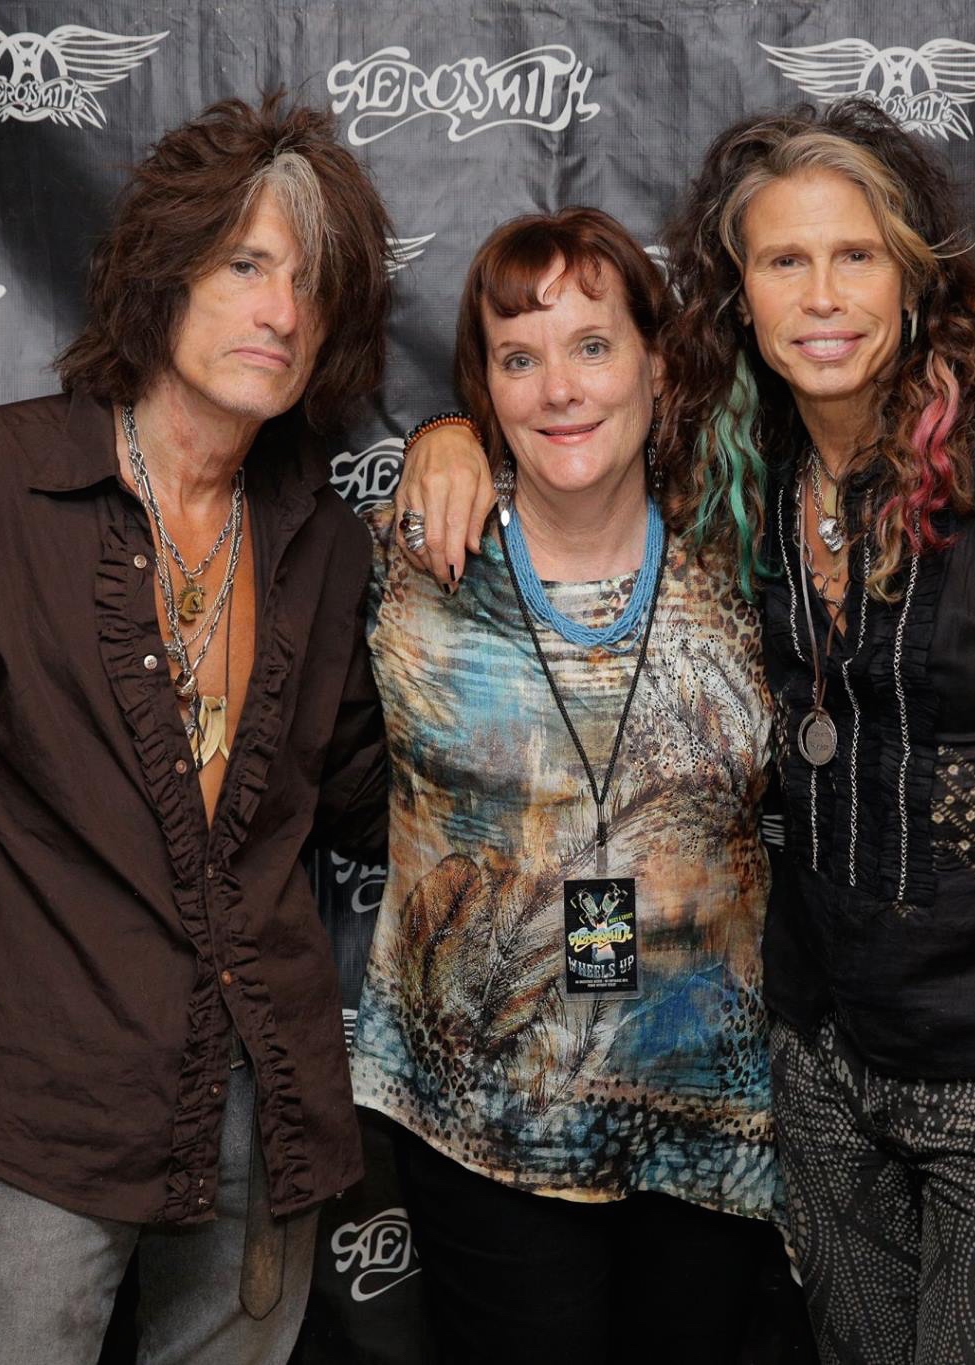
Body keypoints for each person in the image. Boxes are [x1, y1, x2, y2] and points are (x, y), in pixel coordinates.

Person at [394, 99, 975, 1365]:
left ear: (913, 277)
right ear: (740, 296)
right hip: (815, 1068)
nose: (821, 296)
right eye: (784, 260)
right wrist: (444, 432)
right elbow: (566, 431)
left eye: (854, 256)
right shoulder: (750, 473)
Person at [0, 93, 395, 1365]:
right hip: (37, 1121)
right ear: (163, 274)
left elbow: (380, 803)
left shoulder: (326, 543)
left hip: (264, 1118)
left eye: (312, 285)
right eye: (245, 266)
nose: (281, 313)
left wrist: (462, 444)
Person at [349, 207, 785, 1363]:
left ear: (656, 363)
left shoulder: (743, 553)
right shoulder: (409, 562)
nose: (558, 389)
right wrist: (434, 433)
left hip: (707, 1120)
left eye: (592, 346)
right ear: (484, 390)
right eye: (517, 359)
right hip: (484, 1128)